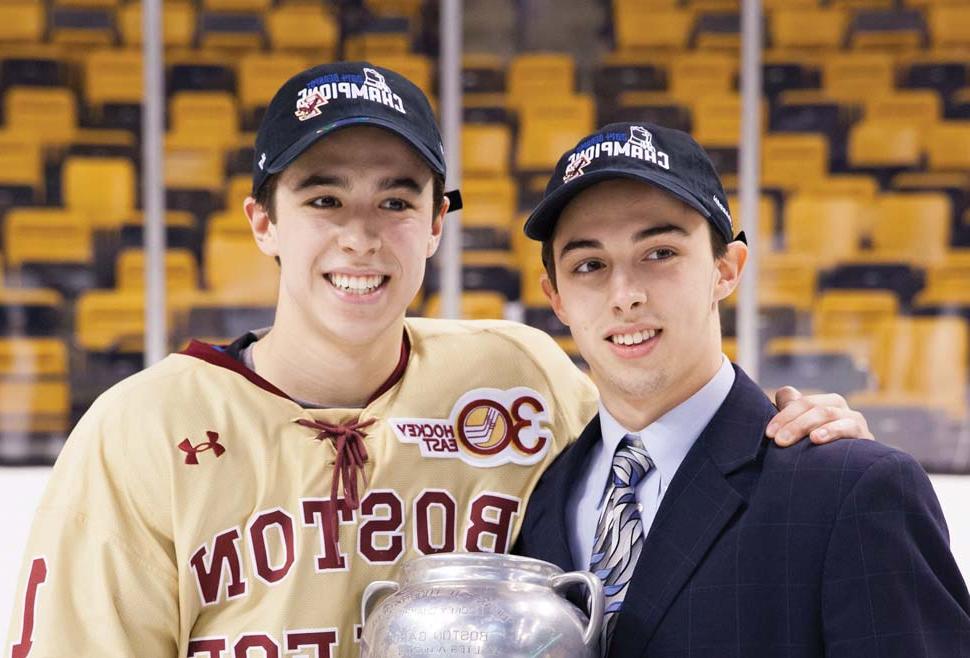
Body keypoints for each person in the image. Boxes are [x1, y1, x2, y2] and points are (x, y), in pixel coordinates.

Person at [7, 64, 871, 658]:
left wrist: (807, 437)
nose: (361, 233)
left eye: (395, 198)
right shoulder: (141, 430)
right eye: (322, 197)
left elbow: (666, 444)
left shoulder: (518, 377)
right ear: (263, 221)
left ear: (435, 225)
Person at [514, 121, 970, 657]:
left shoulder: (852, 489)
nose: (625, 295)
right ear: (557, 298)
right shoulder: (534, 499)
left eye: (659, 253)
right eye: (589, 265)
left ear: (726, 268)